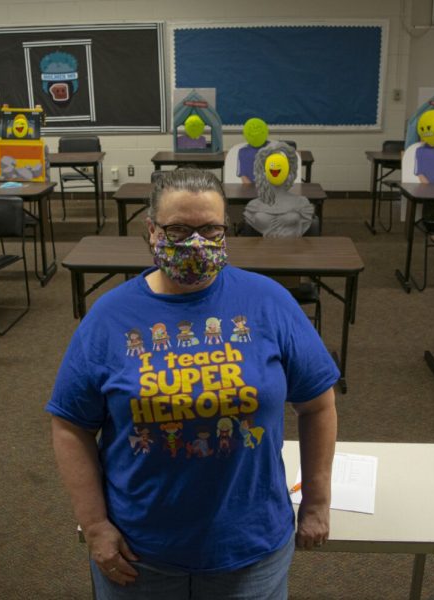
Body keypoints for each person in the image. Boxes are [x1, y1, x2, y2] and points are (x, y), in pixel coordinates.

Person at [47, 168, 339, 599]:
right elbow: (70, 425)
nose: (196, 243)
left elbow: (317, 405)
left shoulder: (268, 301)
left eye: (210, 229)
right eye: (179, 230)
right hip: (138, 552)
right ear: (151, 231)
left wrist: (316, 503)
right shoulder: (110, 317)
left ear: (227, 231)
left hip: (249, 547)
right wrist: (94, 526)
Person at [242, 141, 318, 237]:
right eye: (271, 167)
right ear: (264, 172)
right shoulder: (253, 206)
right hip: (263, 250)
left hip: (294, 249)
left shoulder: (302, 204)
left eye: (279, 168)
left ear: (289, 172)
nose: (275, 170)